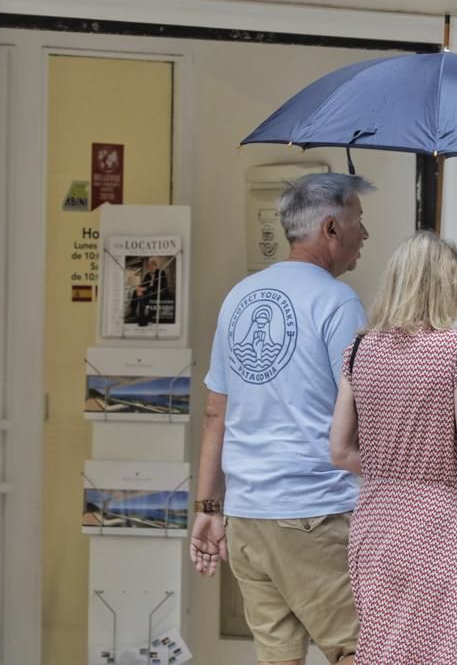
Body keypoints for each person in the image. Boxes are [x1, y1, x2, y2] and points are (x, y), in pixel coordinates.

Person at [190, 173, 374, 665]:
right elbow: (366, 414)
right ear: (331, 228)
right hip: (314, 513)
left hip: (248, 518)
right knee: (359, 650)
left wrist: (208, 508)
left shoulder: (239, 298)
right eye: (359, 221)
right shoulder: (338, 303)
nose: (365, 235)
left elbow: (215, 414)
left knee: (279, 659)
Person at [329, 230, 457, 663]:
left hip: (375, 523)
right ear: (447, 285)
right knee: (438, 651)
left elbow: (340, 451)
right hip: (433, 524)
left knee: (382, 651)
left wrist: (390, 467)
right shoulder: (456, 349)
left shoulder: (360, 349)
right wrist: (429, 467)